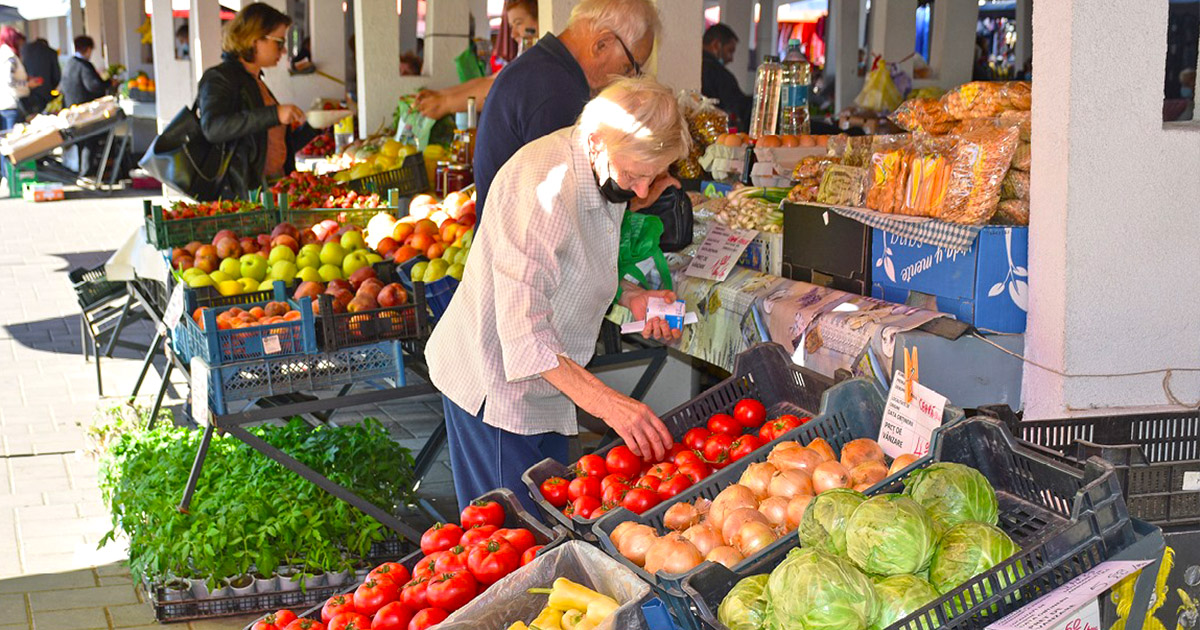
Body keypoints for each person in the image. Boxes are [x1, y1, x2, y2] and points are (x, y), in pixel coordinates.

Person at [426, 77, 689, 512]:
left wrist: (630, 296)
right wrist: (609, 404)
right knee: (509, 532)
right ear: (597, 141)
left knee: (547, 521)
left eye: (653, 177)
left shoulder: (601, 163)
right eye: (634, 176)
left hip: (549, 385)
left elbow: (569, 263)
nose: (642, 191)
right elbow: (524, 333)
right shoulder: (544, 187)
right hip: (495, 388)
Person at [473, 0, 668, 221]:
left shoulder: (544, 69)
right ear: (602, 44)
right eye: (628, 67)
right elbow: (570, 204)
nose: (628, 78)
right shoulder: (555, 90)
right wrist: (639, 197)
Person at [196, 2, 317, 200]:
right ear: (254, 39)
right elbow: (213, 128)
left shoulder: (255, 81)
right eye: (279, 42)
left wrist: (314, 126)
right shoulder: (219, 77)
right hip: (246, 196)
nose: (284, 50)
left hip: (272, 188)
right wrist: (274, 114)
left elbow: (271, 145)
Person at [413, 0, 538, 120]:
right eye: (512, 26)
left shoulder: (537, 62)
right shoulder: (527, 57)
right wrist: (440, 95)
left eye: (518, 23)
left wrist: (444, 103)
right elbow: (491, 80)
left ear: (540, 20)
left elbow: (501, 87)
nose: (513, 34)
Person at [701, 23, 752, 131]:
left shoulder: (695, 64)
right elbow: (739, 106)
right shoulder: (717, 73)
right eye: (730, 51)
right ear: (716, 45)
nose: (731, 59)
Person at [0, 27, 39, 131]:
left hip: (6, 104)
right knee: (14, 136)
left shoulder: (3, 54)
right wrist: (27, 83)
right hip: (13, 104)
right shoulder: (10, 57)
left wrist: (25, 78)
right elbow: (10, 81)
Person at [62, 36, 110, 107]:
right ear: (88, 49)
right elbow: (94, 86)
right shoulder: (84, 65)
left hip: (69, 104)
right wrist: (109, 83)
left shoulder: (69, 63)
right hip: (83, 106)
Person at [19, 37, 59, 115]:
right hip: (45, 92)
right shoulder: (51, 52)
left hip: (27, 93)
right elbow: (56, 76)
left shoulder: (24, 50)